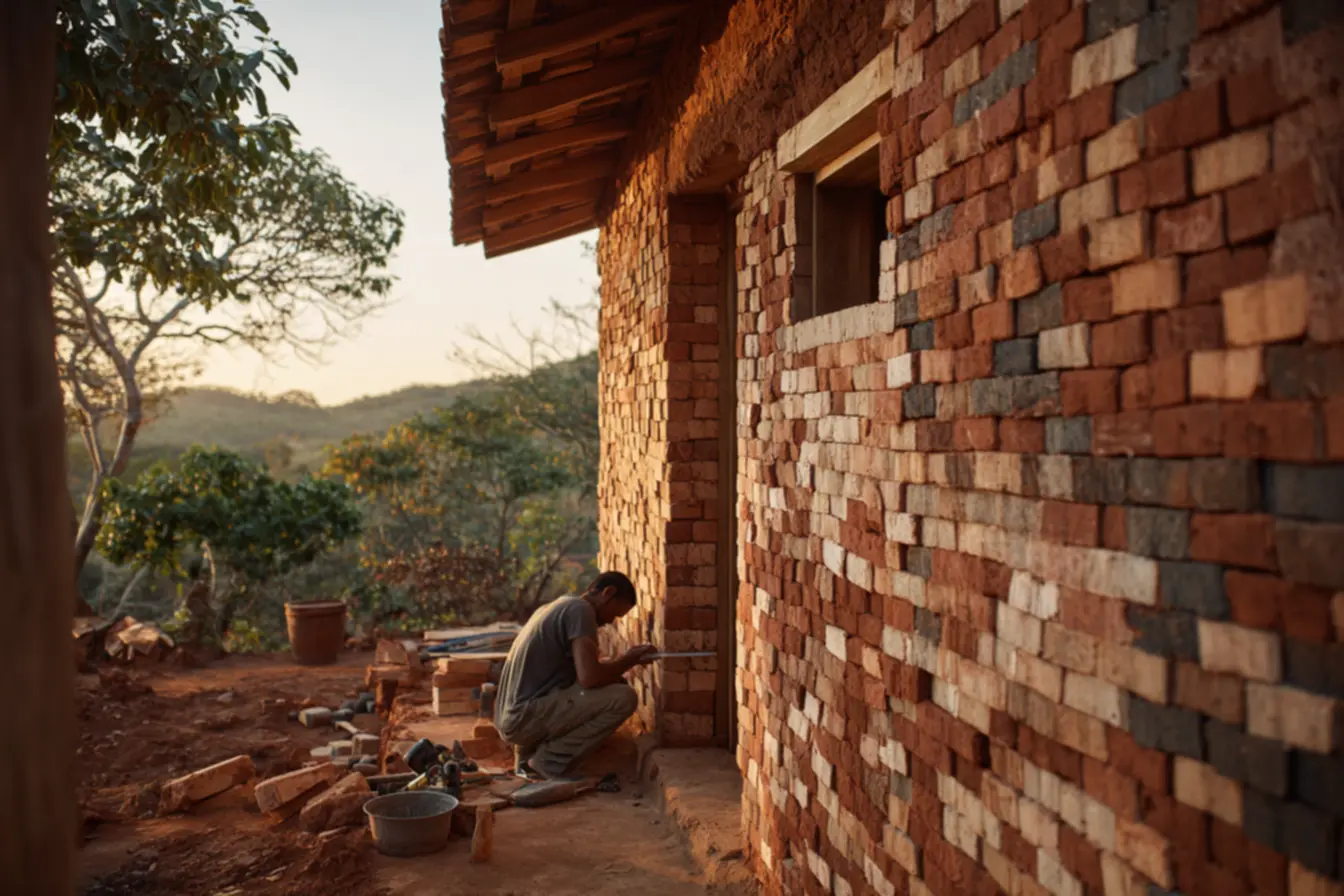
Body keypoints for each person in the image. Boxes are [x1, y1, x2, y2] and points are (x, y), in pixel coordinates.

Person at [494, 571, 656, 780]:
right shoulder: (581, 611)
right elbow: (589, 678)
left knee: (614, 684)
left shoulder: (557, 606)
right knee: (624, 698)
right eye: (614, 615)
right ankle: (548, 761)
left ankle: (528, 756)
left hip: (513, 717)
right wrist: (628, 659)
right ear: (608, 593)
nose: (609, 622)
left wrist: (616, 669)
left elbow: (579, 674)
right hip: (522, 718)